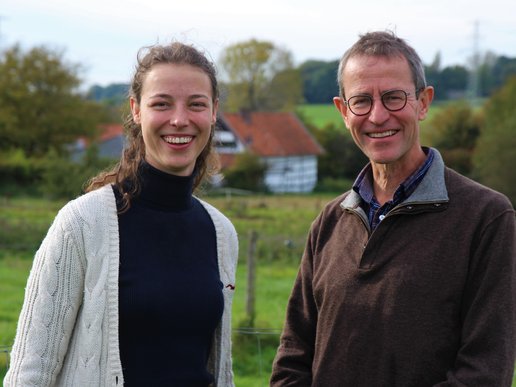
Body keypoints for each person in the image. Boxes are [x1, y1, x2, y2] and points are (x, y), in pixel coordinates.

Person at [270, 30, 516, 386]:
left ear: (424, 102)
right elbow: (292, 363)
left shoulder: (486, 217)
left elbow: (484, 373)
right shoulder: (329, 222)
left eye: (393, 97)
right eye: (361, 101)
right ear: (342, 111)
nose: (377, 116)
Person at [4, 41, 239, 386]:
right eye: (161, 103)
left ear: (213, 111)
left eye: (196, 104)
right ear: (136, 110)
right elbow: (31, 372)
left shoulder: (221, 232)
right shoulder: (82, 223)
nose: (179, 119)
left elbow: (218, 368)